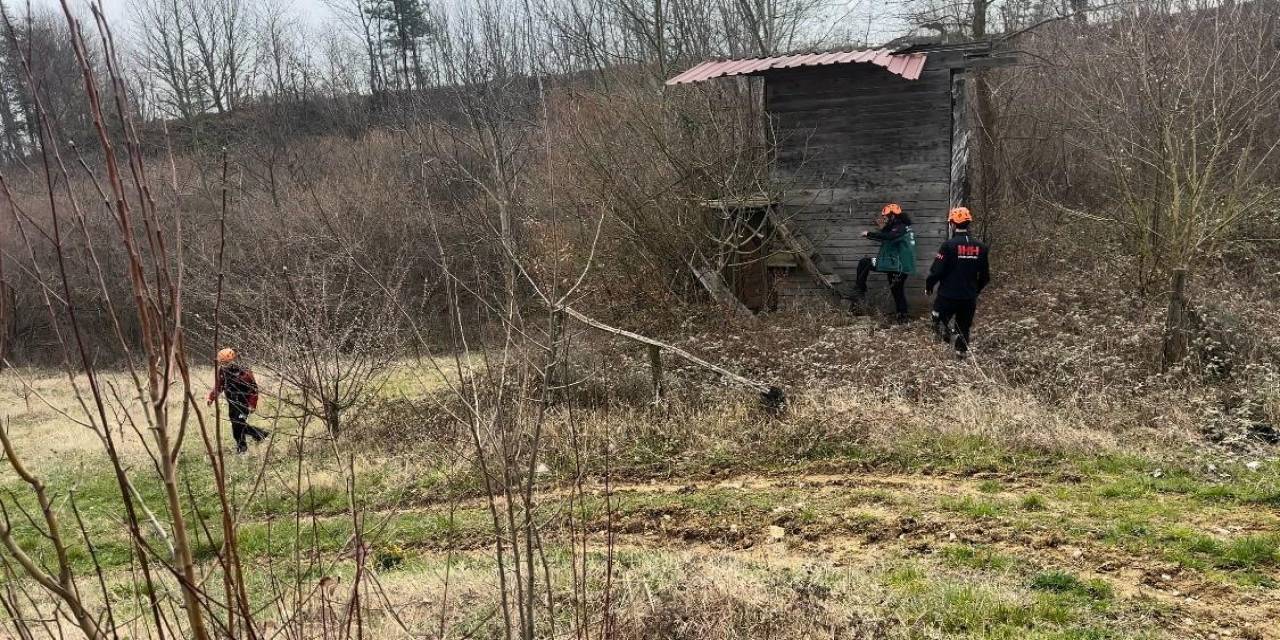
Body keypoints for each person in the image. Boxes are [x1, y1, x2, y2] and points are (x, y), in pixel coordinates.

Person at [926, 207, 991, 357]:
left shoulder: (948, 246)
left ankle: (941, 349)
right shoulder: (981, 247)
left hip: (947, 296)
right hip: (968, 297)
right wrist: (975, 291)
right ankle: (960, 355)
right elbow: (985, 277)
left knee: (937, 320)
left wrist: (929, 286)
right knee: (964, 328)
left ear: (953, 224)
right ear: (968, 223)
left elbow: (936, 271)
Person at [854, 203, 917, 322]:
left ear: (893, 216)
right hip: (897, 265)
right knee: (897, 291)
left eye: (886, 216)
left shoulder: (900, 227)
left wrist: (868, 234)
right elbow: (889, 236)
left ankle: (859, 289)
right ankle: (902, 316)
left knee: (864, 263)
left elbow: (889, 237)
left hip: (896, 265)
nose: (885, 219)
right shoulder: (902, 227)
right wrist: (883, 228)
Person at [207, 348, 268, 454]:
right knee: (236, 425)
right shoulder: (222, 371)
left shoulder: (245, 371)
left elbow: (253, 389)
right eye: (222, 363)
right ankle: (260, 434)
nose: (224, 365)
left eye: (226, 363)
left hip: (244, 403)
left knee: (238, 425)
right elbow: (219, 386)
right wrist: (211, 398)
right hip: (232, 403)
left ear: (232, 360)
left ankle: (242, 448)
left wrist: (252, 404)